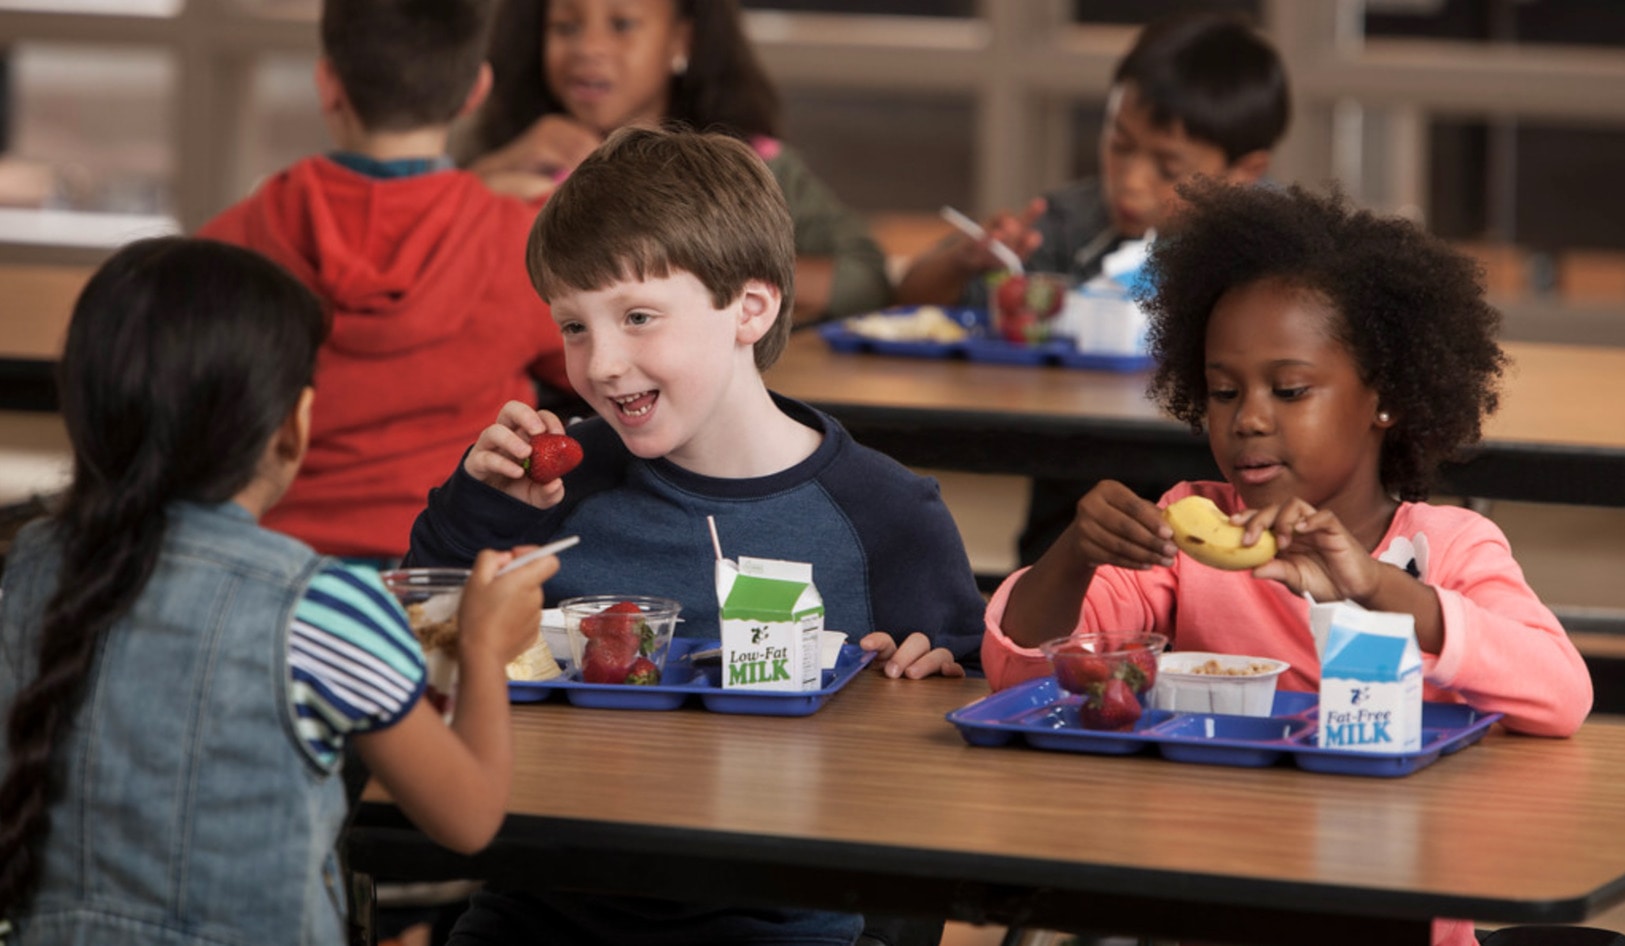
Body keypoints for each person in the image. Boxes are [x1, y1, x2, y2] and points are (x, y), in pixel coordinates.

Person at [408, 126, 986, 946]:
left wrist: (937, 675)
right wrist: (482, 506)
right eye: (573, 327)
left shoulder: (886, 514)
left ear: (749, 308)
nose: (602, 363)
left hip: (780, 926)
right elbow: (422, 654)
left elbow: (962, 733)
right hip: (542, 909)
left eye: (637, 316)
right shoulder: (551, 491)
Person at [983, 181, 1593, 946]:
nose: (1249, 419)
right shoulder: (1188, 535)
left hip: (1385, 915)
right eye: (1221, 391)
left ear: (1386, 398)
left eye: (1290, 389)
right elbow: (1023, 671)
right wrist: (1075, 552)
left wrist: (1374, 587)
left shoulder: (1448, 548)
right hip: (1205, 904)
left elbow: (1563, 693)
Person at [0, 237, 560, 943]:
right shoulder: (323, 604)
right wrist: (482, 645)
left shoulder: (27, 571)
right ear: (292, 428)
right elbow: (468, 819)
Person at [894, 10, 1291, 568]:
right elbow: (911, 304)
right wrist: (966, 262)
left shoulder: (1285, 249)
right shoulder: (1068, 224)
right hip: (1075, 514)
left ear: (1245, 171)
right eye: (1120, 145)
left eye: (1167, 167)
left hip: (1233, 514)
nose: (1130, 180)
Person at [199, 0, 572, 563]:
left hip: (268, 571)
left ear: (327, 84)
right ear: (476, 89)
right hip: (454, 576)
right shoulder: (521, 243)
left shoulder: (229, 244)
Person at [456, 0, 891, 325]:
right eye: (565, 27)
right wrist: (482, 182)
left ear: (682, 39)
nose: (588, 47)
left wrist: (695, 269)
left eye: (622, 24)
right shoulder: (507, 163)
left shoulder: (753, 166)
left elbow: (864, 279)